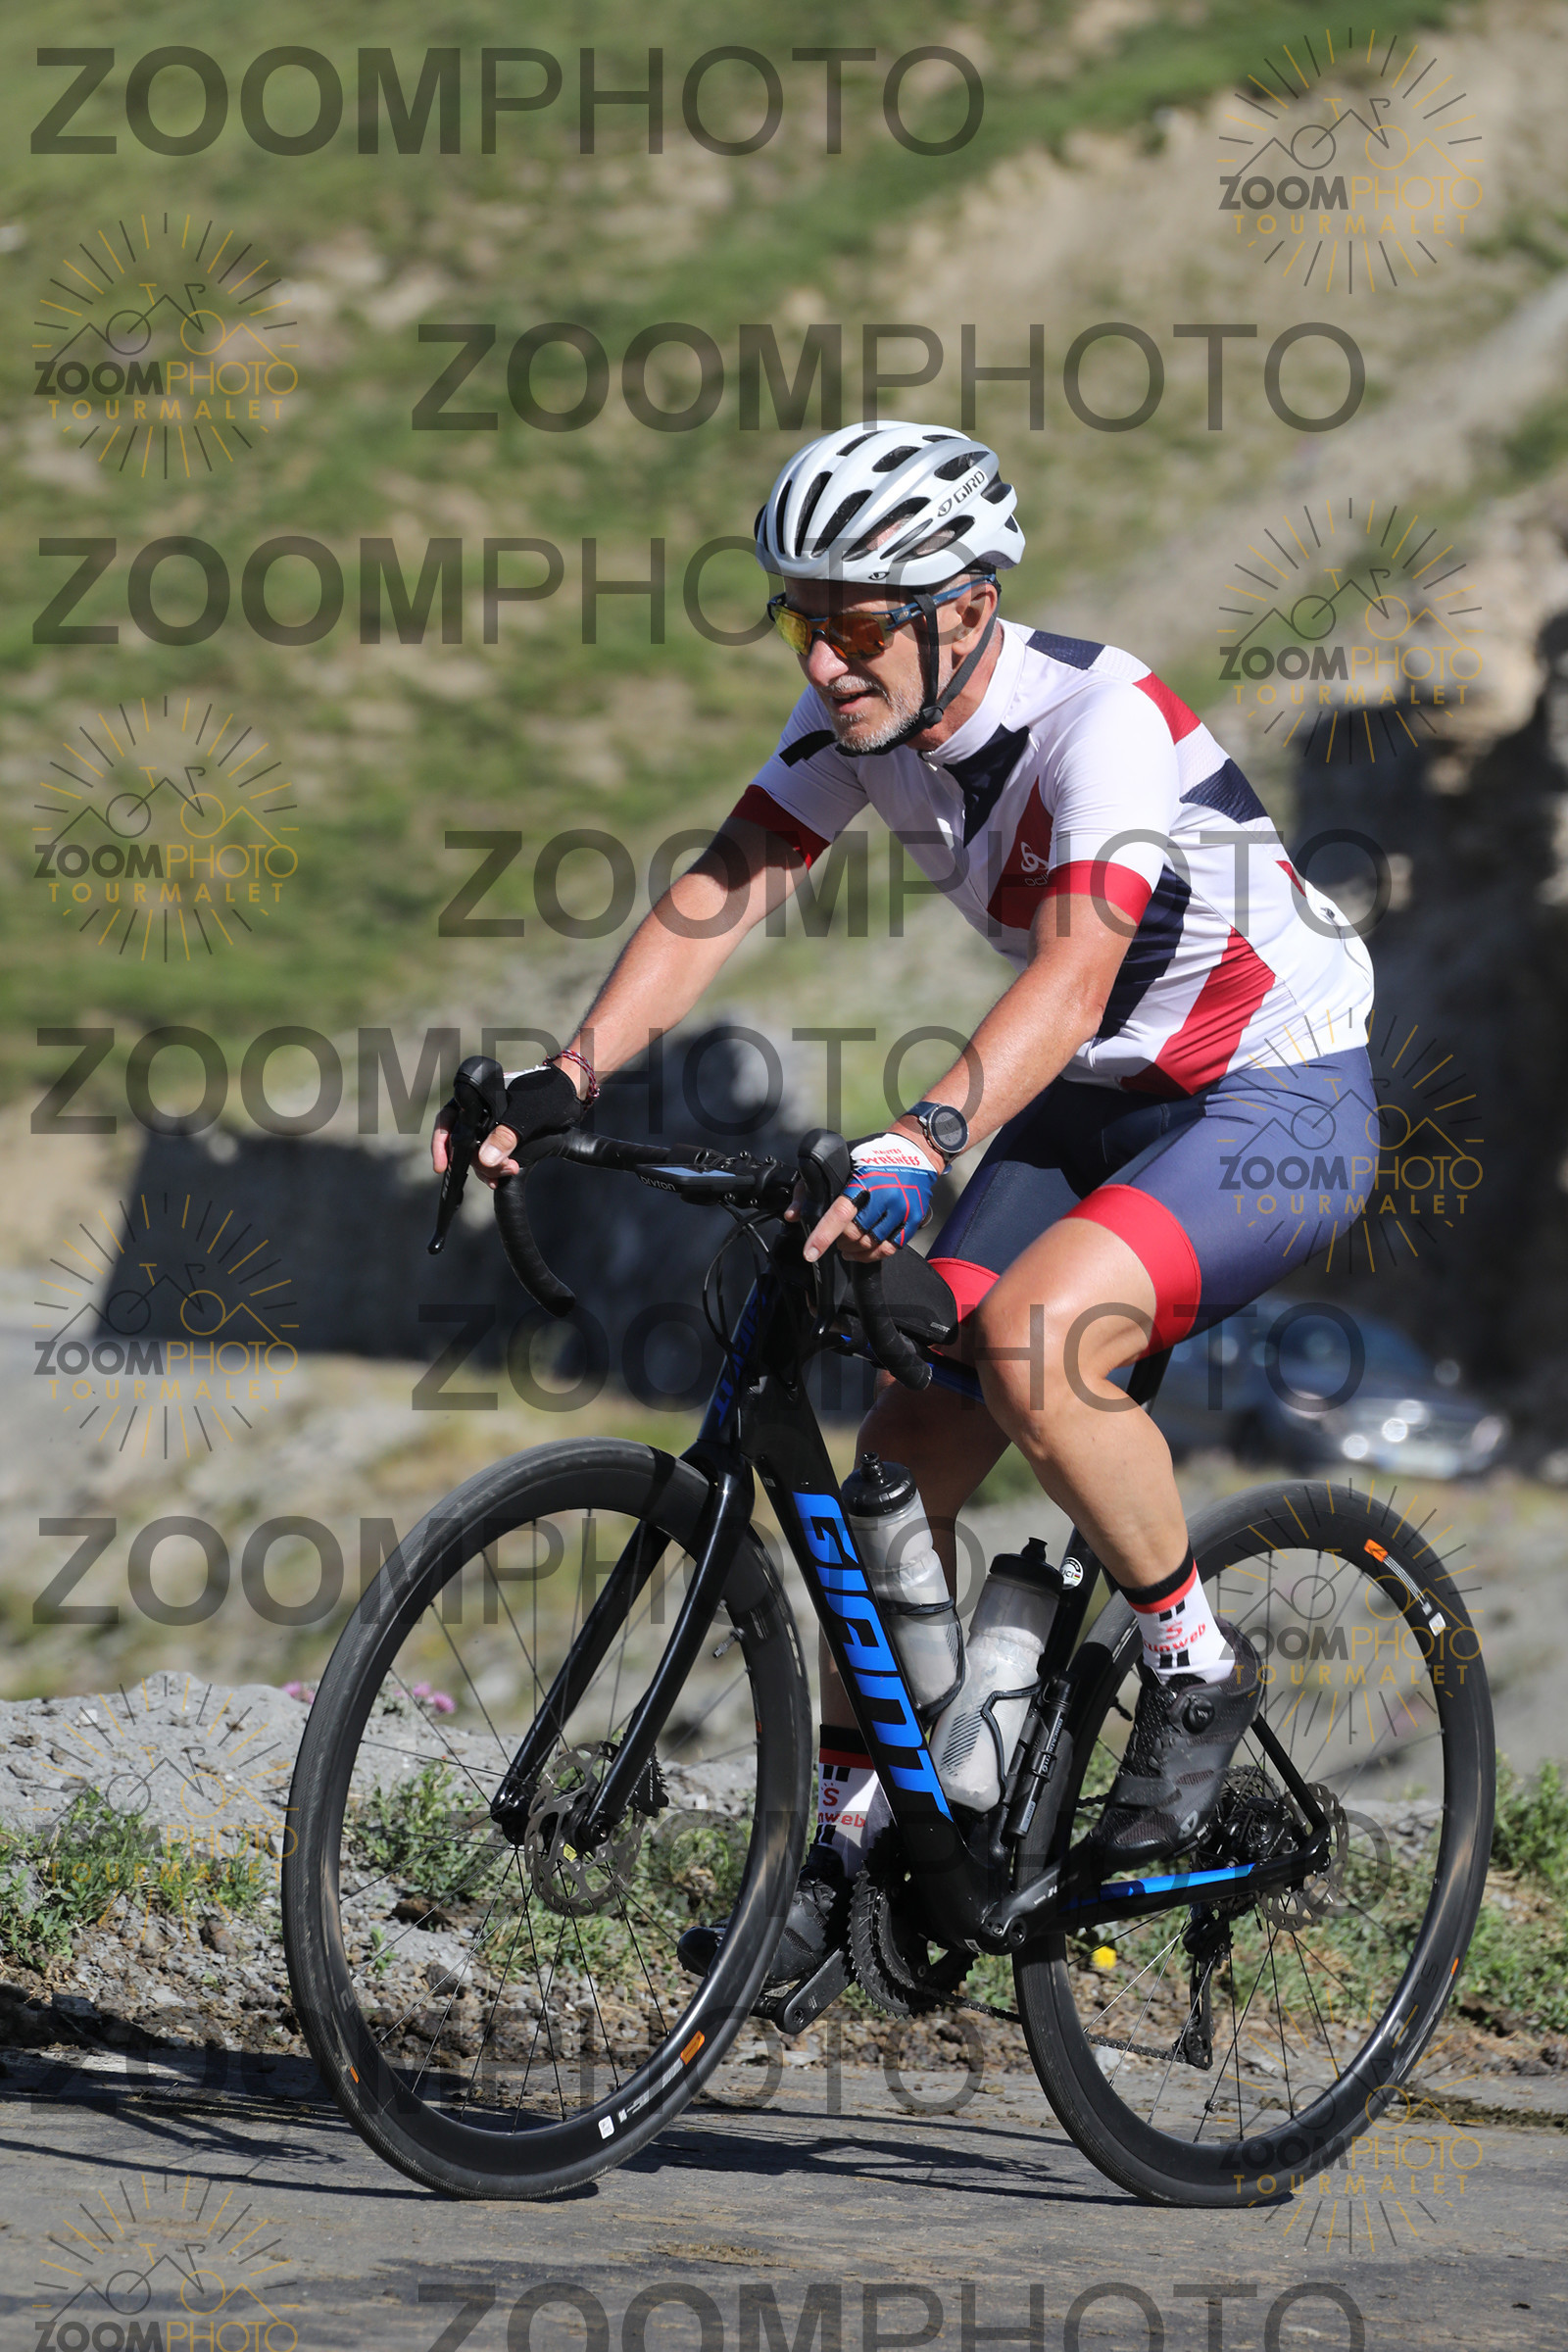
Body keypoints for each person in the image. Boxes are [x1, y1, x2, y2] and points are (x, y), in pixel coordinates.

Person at [434, 421, 1375, 1988]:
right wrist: (569, 1072)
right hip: (1093, 1090)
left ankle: (1195, 1668)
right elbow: (725, 888)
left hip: (1269, 1091)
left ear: (968, 609)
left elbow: (1073, 978)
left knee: (1035, 1345)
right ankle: (867, 1830)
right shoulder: (858, 712)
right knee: (904, 1445)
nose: (823, 656)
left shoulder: (1101, 723)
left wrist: (920, 1143)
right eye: (800, 617)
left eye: (859, 623)